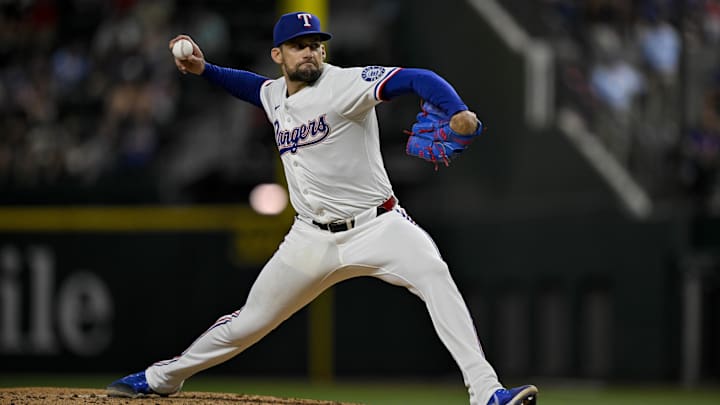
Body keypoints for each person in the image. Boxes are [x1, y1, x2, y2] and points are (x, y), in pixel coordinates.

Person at [106, 11, 538, 405]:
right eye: (299, 45)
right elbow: (249, 86)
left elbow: (416, 78)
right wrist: (204, 69)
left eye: (315, 43)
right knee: (247, 323)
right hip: (310, 238)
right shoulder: (274, 94)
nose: (310, 51)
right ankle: (163, 377)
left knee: (435, 276)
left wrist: (456, 110)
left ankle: (486, 393)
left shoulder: (346, 84)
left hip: (379, 225)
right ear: (278, 55)